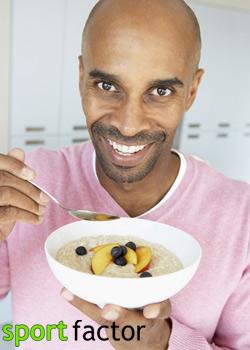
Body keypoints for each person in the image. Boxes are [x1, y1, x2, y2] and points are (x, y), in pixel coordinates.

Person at [0, 0, 250, 349]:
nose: (129, 125)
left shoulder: (243, 218)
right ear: (81, 77)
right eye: (106, 86)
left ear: (191, 90)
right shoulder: (28, 181)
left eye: (160, 91)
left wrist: (164, 345)